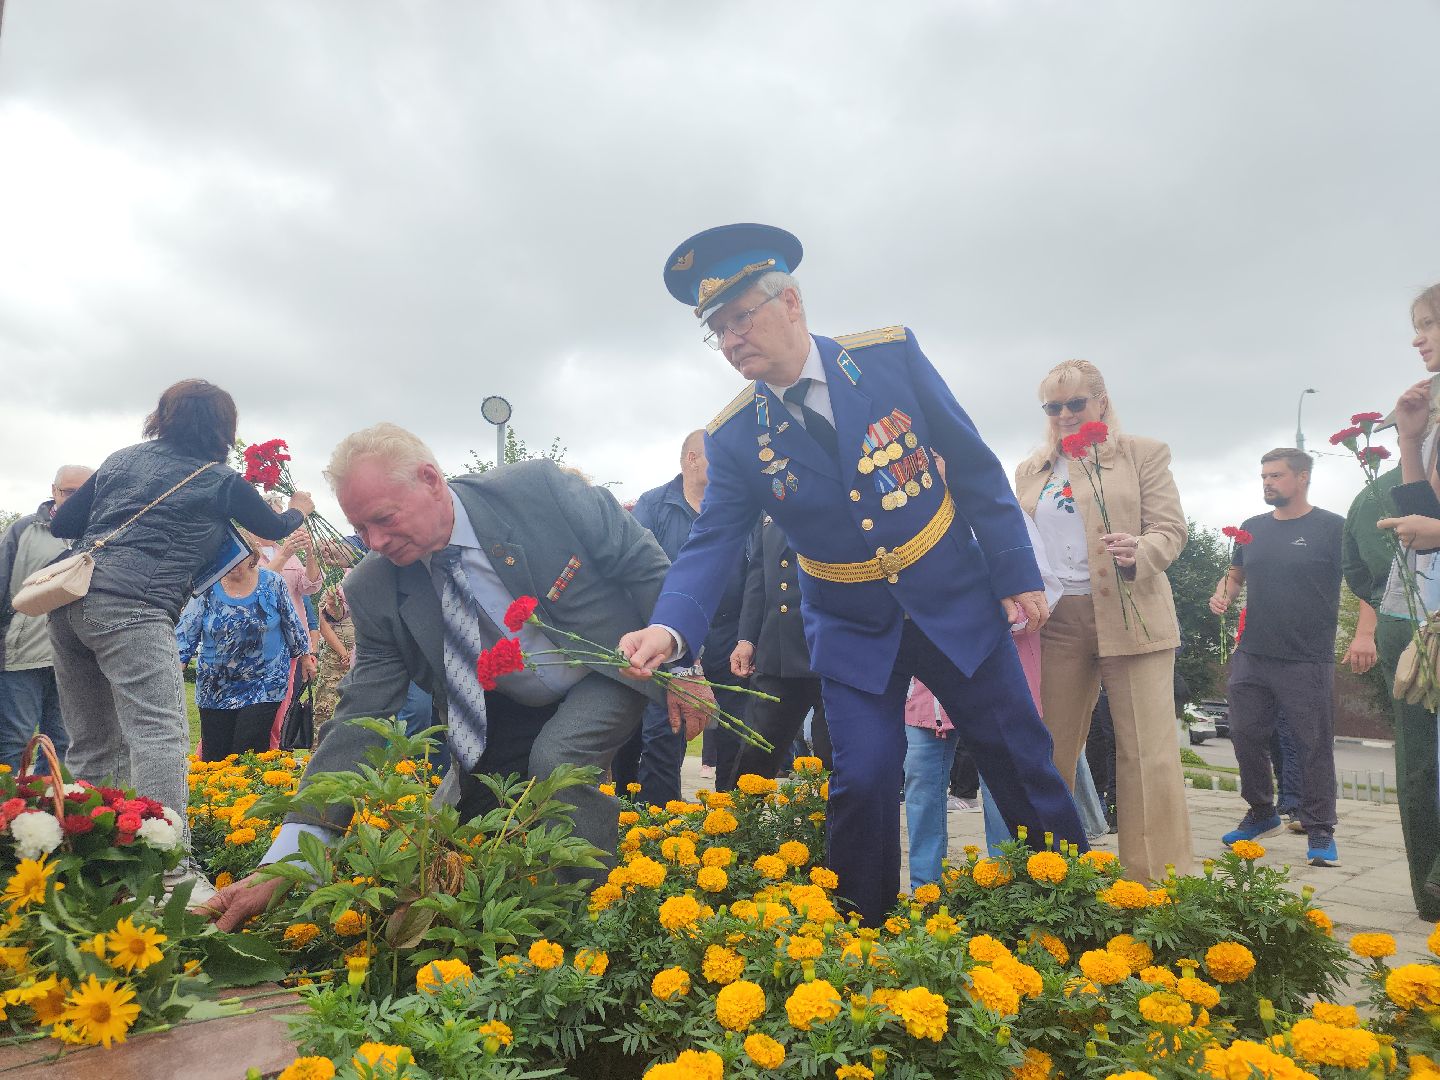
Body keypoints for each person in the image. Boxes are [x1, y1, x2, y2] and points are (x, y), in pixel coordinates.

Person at [618, 223, 1086, 926]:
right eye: (717, 330)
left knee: (1018, 758)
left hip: (951, 594)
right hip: (848, 624)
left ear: (792, 303)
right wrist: (670, 625)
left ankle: (1076, 914)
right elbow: (713, 541)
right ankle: (863, 934)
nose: (731, 339)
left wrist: (1015, 569)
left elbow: (976, 462)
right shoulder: (735, 435)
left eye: (741, 317)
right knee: (862, 779)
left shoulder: (890, 358)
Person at [205, 423, 697, 929]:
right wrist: (293, 856)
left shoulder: (539, 492)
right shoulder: (375, 587)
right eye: (362, 527)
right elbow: (359, 717)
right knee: (447, 837)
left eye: (384, 519)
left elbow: (644, 566)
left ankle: (588, 926)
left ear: (430, 479)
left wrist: (683, 663)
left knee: (559, 761)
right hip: (501, 706)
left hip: (607, 664)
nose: (374, 542)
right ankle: (495, 933)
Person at [48, 379, 313, 899]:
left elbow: (64, 524)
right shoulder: (219, 479)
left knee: (93, 741)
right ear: (224, 428)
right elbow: (275, 525)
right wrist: (300, 507)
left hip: (68, 604)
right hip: (134, 608)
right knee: (160, 736)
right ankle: (169, 873)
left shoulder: (122, 460)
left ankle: (93, 867)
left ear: (161, 417)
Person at [1013, 359, 1191, 881]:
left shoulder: (1143, 454)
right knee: (1048, 748)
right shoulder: (1031, 469)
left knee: (1147, 753)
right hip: (1056, 618)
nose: (1065, 414)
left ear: (1102, 402)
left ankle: (1157, 884)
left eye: (1076, 403)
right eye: (1054, 406)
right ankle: (1045, 875)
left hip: (1133, 611)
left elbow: (1171, 529)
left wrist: (1142, 548)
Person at [1210, 448, 1344, 866]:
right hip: (1252, 652)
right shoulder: (1252, 529)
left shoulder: (1331, 528)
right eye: (1264, 475)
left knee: (1313, 744)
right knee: (1245, 734)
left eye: (1277, 475)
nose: (1268, 482)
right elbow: (1235, 574)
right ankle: (1262, 811)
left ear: (1302, 477)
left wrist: (1365, 635)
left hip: (1307, 656)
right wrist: (1223, 594)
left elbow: (1361, 581)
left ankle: (1320, 830)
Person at [613, 432, 746, 802]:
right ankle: (660, 826)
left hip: (730, 634)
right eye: (716, 456)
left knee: (738, 734)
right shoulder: (653, 506)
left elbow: (756, 574)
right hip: (670, 638)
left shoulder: (737, 507)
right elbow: (634, 572)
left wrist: (749, 637)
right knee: (664, 731)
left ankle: (733, 821)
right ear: (691, 459)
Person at [177, 541, 315, 760]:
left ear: (252, 556)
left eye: (237, 555)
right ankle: (219, 794)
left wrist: (306, 658)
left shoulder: (272, 583)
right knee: (215, 755)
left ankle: (248, 794)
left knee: (248, 750)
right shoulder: (207, 586)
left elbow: (292, 623)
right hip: (216, 686)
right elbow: (186, 630)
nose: (231, 562)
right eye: (224, 555)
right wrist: (177, 665)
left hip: (264, 683)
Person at [0, 465, 93, 769]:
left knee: (63, 743)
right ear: (54, 491)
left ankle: (47, 810)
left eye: (86, 492)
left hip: (74, 656)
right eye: (69, 492)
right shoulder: (23, 530)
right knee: (15, 741)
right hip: (22, 656)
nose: (77, 498)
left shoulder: (102, 534)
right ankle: (9, 811)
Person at [728, 514, 832, 781]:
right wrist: (747, 639)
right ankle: (739, 823)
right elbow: (759, 573)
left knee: (833, 760)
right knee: (753, 759)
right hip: (779, 649)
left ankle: (833, 823)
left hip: (834, 646)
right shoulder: (772, 489)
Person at [312, 578, 354, 733]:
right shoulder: (332, 593)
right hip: (334, 659)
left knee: (354, 709)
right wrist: (344, 653)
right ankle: (317, 750)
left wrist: (355, 652)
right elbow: (323, 626)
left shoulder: (368, 591)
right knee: (324, 709)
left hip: (361, 656)